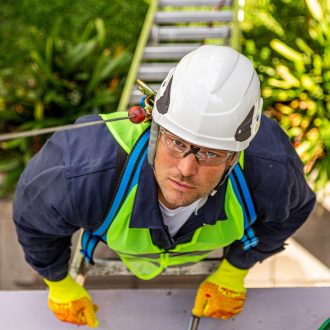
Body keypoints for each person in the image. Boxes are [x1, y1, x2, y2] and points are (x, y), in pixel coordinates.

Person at [13, 45, 316, 328]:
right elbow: (34, 219)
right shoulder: (82, 172)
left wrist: (235, 268)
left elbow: (295, 211)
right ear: (155, 127)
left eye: (211, 153)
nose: (186, 169)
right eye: (176, 142)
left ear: (235, 156)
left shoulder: (271, 172)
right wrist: (58, 282)